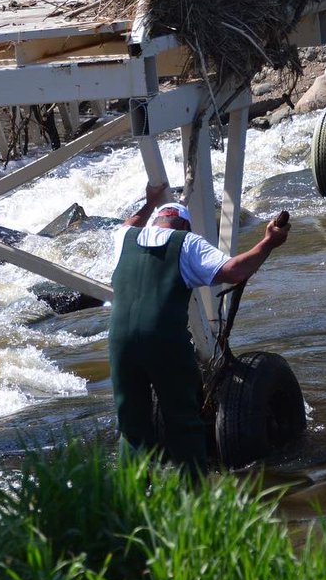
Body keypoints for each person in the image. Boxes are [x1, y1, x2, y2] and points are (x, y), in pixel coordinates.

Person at [108, 181, 289, 474]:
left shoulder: (124, 237)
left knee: (131, 426)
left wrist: (150, 201)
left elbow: (131, 221)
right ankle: (193, 501)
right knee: (183, 421)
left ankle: (130, 500)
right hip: (164, 342)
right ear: (184, 226)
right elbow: (233, 271)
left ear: (156, 221)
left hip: (120, 342)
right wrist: (268, 242)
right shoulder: (187, 243)